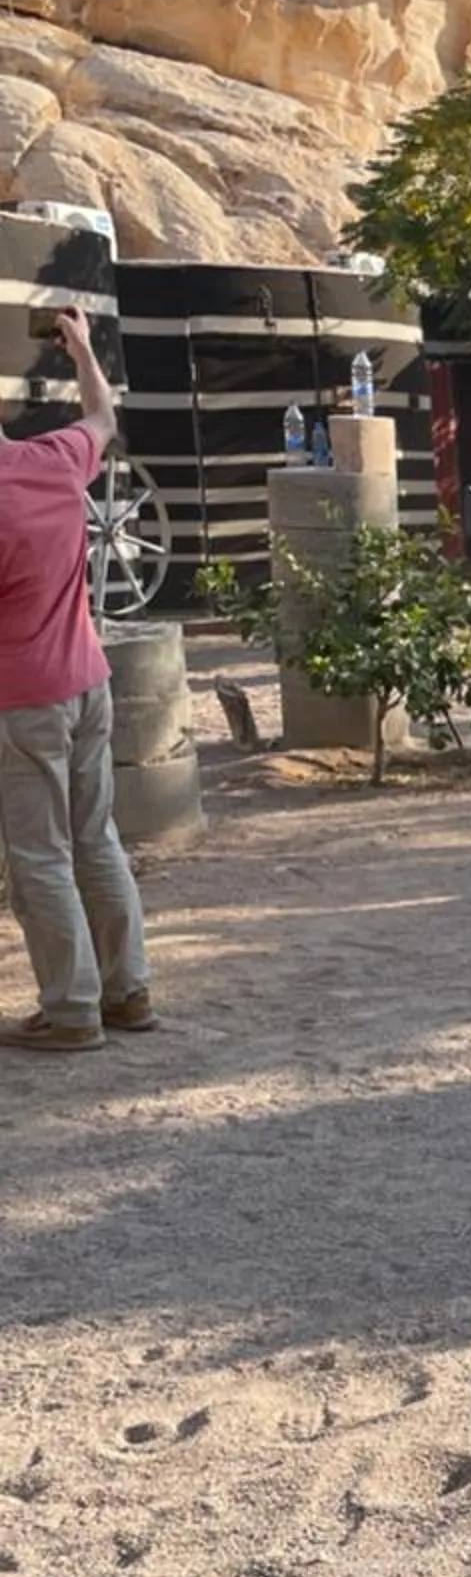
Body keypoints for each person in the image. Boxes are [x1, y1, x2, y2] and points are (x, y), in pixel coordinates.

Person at [0, 306, 153, 1050]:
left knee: (40, 856)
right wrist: (83, 348)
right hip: (87, 682)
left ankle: (71, 1011)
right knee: (98, 839)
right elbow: (101, 411)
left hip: (20, 700)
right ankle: (127, 992)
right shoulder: (54, 458)